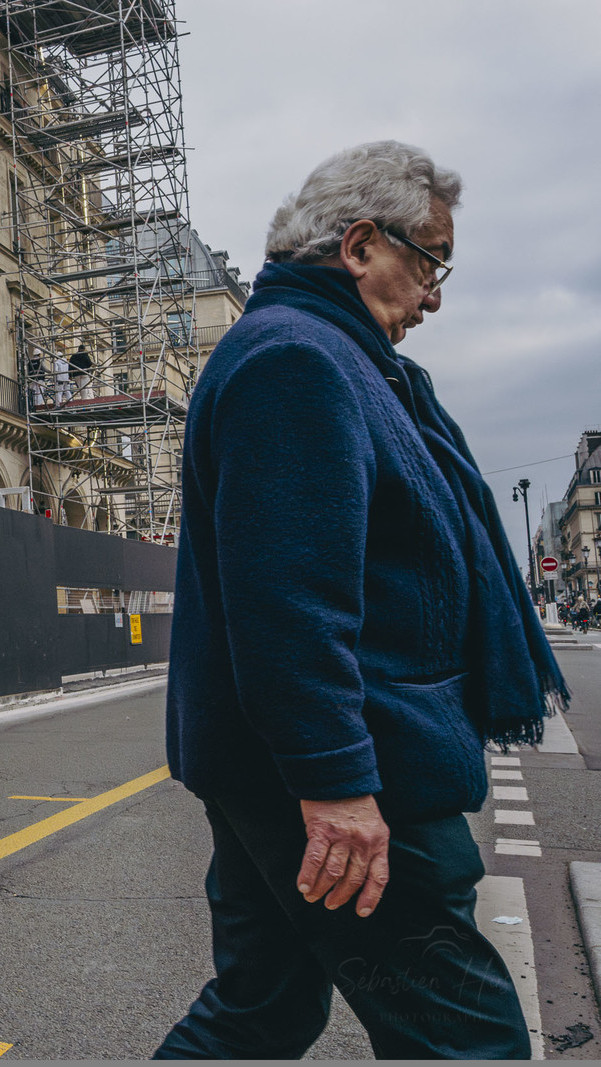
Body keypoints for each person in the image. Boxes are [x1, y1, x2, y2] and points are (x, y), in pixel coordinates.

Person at [158, 141, 567, 1059]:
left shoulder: (329, 356)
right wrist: (337, 783)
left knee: (263, 1008)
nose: (433, 295)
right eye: (428, 262)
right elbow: (290, 603)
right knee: (470, 1039)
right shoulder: (298, 361)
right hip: (354, 771)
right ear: (358, 246)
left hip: (285, 767)